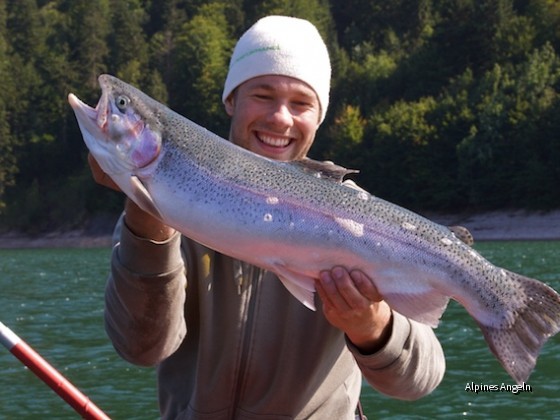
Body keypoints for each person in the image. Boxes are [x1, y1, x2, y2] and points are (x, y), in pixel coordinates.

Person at [90, 15, 445, 419]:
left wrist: (372, 326)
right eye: (262, 95)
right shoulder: (167, 209)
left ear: (319, 116)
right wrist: (147, 215)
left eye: (300, 103)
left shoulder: (355, 219)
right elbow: (141, 347)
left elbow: (421, 380)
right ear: (231, 100)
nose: (280, 118)